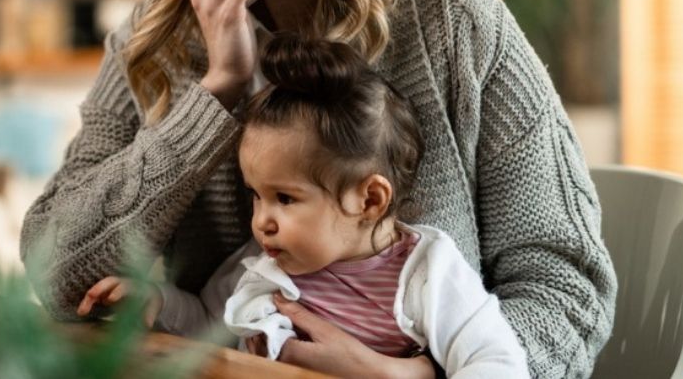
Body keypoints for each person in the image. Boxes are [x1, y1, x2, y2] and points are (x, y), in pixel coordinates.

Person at [20, 0, 616, 376]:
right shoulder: (153, 46)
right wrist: (217, 92)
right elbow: (56, 276)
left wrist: (418, 375)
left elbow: (567, 286)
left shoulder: (453, 21)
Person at [76, 34, 530, 378]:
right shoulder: (261, 268)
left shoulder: (429, 273)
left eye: (285, 198)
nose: (261, 221)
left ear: (369, 199)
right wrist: (156, 301)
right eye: (257, 195)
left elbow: (497, 363)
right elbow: (210, 326)